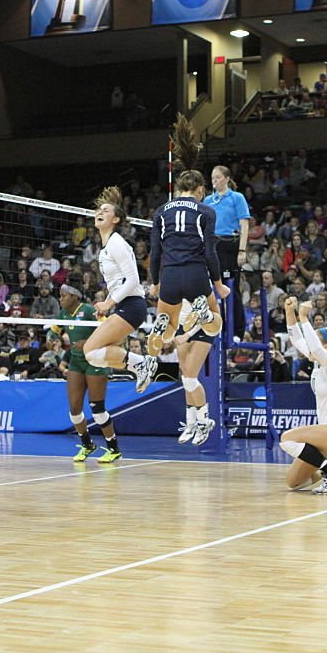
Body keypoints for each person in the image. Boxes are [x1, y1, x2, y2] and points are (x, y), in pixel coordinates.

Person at [146, 118, 230, 370]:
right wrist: (218, 285)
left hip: (170, 275)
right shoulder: (205, 211)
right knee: (216, 323)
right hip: (195, 274)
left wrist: (155, 283)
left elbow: (155, 251)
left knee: (169, 332)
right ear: (200, 189)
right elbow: (209, 252)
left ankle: (161, 325)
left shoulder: (161, 211)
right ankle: (204, 313)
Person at [279, 297, 327, 495]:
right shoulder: (317, 363)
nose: (310, 343)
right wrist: (290, 312)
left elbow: (313, 347)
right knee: (294, 483)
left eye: (315, 339)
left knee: (286, 438)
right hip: (324, 436)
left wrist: (304, 317)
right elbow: (298, 339)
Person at [82, 188, 157, 395]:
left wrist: (109, 303)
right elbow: (118, 282)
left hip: (132, 305)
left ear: (115, 219)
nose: (100, 212)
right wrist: (108, 302)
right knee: (98, 354)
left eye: (105, 211)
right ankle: (139, 367)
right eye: (99, 209)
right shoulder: (106, 246)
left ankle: (141, 363)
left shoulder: (116, 243)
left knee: (90, 350)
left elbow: (133, 279)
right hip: (124, 305)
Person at [48, 283, 121, 463]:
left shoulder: (88, 310)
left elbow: (109, 330)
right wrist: (51, 339)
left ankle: (113, 448)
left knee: (97, 408)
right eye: (60, 295)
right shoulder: (64, 313)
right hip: (76, 362)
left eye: (63, 295)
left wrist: (88, 341)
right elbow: (54, 331)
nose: (60, 298)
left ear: (74, 296)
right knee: (74, 410)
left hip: (94, 360)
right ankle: (87, 445)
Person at [204, 165, 250, 338]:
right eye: (212, 178)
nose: (214, 180)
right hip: (212, 245)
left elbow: (244, 224)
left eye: (218, 177)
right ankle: (215, 326)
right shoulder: (208, 200)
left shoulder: (237, 197)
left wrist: (242, 250)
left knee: (231, 287)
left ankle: (237, 329)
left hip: (230, 244)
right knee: (211, 288)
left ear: (227, 179)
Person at [172, 298, 219, 446]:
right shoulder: (171, 281)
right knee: (186, 378)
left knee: (191, 378)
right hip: (182, 328)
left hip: (202, 328)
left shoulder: (198, 280)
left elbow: (204, 312)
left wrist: (187, 335)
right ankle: (191, 423)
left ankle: (204, 423)